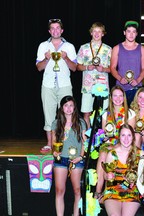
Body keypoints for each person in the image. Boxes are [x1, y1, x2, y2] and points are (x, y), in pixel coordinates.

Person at [36, 19, 77, 153]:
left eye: (57, 28)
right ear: (49, 31)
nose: (55, 30)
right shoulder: (43, 46)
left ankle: (66, 141)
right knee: (48, 114)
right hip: (48, 85)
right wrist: (47, 58)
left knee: (67, 114)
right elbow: (39, 67)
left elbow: (74, 68)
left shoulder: (69, 47)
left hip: (64, 84)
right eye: (52, 28)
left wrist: (65, 58)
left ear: (62, 30)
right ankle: (49, 143)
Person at [95, 85, 136, 197]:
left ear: (124, 97)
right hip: (109, 143)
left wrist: (116, 145)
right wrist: (104, 137)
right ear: (111, 98)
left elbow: (131, 136)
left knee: (109, 151)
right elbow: (103, 134)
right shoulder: (105, 114)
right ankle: (98, 191)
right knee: (103, 153)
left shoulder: (130, 113)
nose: (118, 99)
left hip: (125, 144)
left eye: (120, 96)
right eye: (115, 96)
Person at [51, 96, 87, 216]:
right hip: (61, 160)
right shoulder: (56, 123)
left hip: (76, 160)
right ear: (61, 108)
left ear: (74, 107)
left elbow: (84, 142)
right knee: (59, 191)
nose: (68, 108)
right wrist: (55, 152)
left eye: (71, 105)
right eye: (66, 106)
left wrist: (81, 157)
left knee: (77, 191)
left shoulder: (81, 122)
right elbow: (54, 143)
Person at [102, 124, 144, 216]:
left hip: (132, 190)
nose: (126, 139)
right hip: (113, 190)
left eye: (129, 135)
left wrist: (136, 181)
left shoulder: (140, 154)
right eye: (123, 135)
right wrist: (108, 176)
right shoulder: (112, 154)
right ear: (119, 137)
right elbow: (105, 175)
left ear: (133, 137)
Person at [76, 22, 112, 128]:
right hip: (88, 85)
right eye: (94, 31)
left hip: (103, 84)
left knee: (104, 113)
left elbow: (112, 69)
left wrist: (104, 69)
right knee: (86, 112)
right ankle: (88, 137)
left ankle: (103, 137)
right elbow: (77, 66)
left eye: (99, 31)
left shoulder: (109, 49)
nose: (96, 34)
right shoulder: (84, 48)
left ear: (103, 34)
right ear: (91, 33)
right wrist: (87, 67)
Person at [110, 20, 144, 106]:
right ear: (124, 32)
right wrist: (120, 79)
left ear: (137, 34)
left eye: (134, 32)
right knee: (120, 115)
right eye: (129, 31)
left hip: (136, 88)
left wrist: (137, 80)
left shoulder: (143, 49)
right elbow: (112, 68)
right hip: (120, 89)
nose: (131, 34)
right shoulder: (116, 48)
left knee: (136, 115)